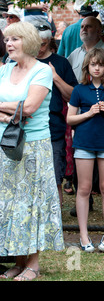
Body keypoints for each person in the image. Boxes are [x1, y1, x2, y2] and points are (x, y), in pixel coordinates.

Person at [0, 21, 64, 280]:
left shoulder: (43, 71)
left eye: (14, 39)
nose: (9, 44)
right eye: (7, 40)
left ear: (26, 41)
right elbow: (18, 108)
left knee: (31, 203)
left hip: (33, 147)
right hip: (6, 144)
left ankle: (34, 265)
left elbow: (29, 108)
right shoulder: (5, 70)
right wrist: (9, 112)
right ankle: (17, 261)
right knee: (10, 203)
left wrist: (7, 110)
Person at [67, 48, 104, 253]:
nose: (97, 68)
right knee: (83, 189)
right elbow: (70, 118)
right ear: (87, 67)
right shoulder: (79, 90)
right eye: (93, 64)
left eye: (100, 64)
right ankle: (84, 236)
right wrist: (88, 113)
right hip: (83, 144)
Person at [34, 21, 78, 205]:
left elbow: (73, 96)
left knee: (54, 178)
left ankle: (55, 218)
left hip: (54, 128)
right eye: (35, 44)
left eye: (43, 44)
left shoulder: (61, 63)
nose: (39, 48)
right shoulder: (20, 61)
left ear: (50, 42)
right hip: (26, 128)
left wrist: (55, 78)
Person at [67, 16, 104, 96]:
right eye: (82, 27)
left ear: (99, 31)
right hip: (79, 104)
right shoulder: (74, 54)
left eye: (88, 26)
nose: (84, 29)